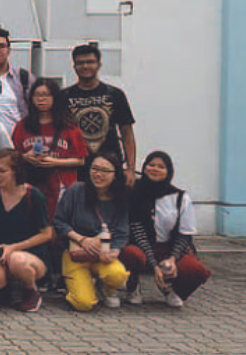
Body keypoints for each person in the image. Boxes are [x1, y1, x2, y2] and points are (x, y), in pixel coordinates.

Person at [120, 151, 211, 307]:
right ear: (144, 167)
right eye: (151, 165)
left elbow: (184, 234)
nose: (155, 169)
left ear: (169, 171)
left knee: (196, 270)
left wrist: (172, 259)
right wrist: (155, 267)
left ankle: (173, 290)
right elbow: (138, 233)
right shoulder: (134, 193)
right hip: (143, 247)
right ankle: (133, 286)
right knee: (130, 254)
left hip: (170, 249)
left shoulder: (180, 197)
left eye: (161, 167)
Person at [53, 153, 130, 311]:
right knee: (83, 303)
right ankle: (77, 285)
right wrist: (81, 239)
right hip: (76, 254)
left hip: (103, 255)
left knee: (118, 275)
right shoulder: (76, 191)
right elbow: (58, 222)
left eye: (105, 171)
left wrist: (113, 252)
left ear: (115, 175)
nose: (98, 174)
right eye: (94, 169)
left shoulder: (120, 198)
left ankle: (107, 289)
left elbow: (122, 232)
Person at [0, 150, 53, 312]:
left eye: (2, 171)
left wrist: (14, 247)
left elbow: (47, 233)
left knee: (17, 260)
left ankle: (31, 291)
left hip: (30, 254)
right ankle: (6, 287)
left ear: (16, 171)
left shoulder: (33, 196)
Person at [61, 43, 138, 185]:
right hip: (76, 168)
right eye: (80, 63)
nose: (85, 66)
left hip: (110, 166)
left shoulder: (115, 94)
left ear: (99, 65)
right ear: (74, 67)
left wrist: (131, 169)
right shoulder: (63, 96)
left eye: (90, 62)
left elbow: (127, 134)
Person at [11, 79, 88, 220]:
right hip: (32, 183)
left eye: (46, 95)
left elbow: (81, 160)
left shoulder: (69, 127)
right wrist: (25, 157)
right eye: (37, 95)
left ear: (55, 98)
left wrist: (55, 162)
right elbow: (12, 156)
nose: (41, 99)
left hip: (62, 185)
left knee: (59, 224)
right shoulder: (22, 126)